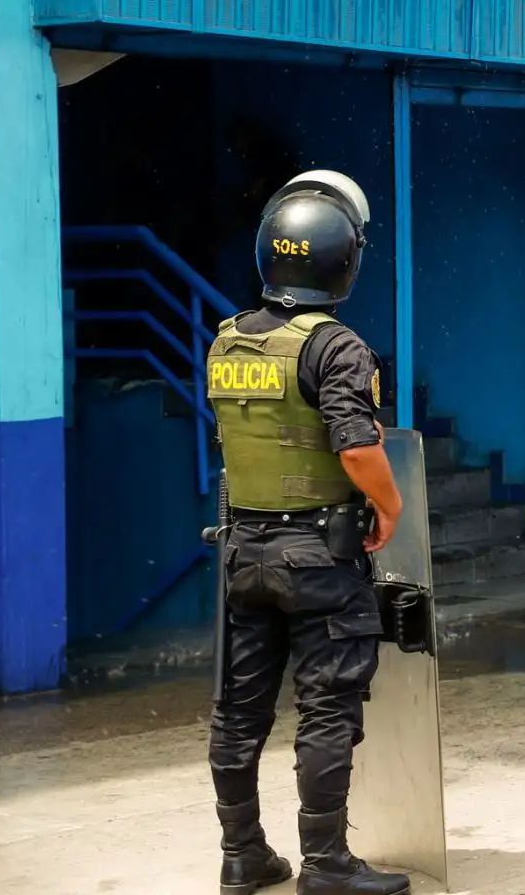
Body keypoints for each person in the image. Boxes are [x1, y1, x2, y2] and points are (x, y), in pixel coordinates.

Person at [206, 170, 411, 895]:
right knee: (328, 707)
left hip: (242, 554)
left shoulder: (227, 340)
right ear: (342, 262)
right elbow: (356, 446)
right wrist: (389, 507)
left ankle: (243, 854)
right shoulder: (336, 347)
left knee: (239, 709)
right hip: (318, 555)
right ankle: (325, 863)